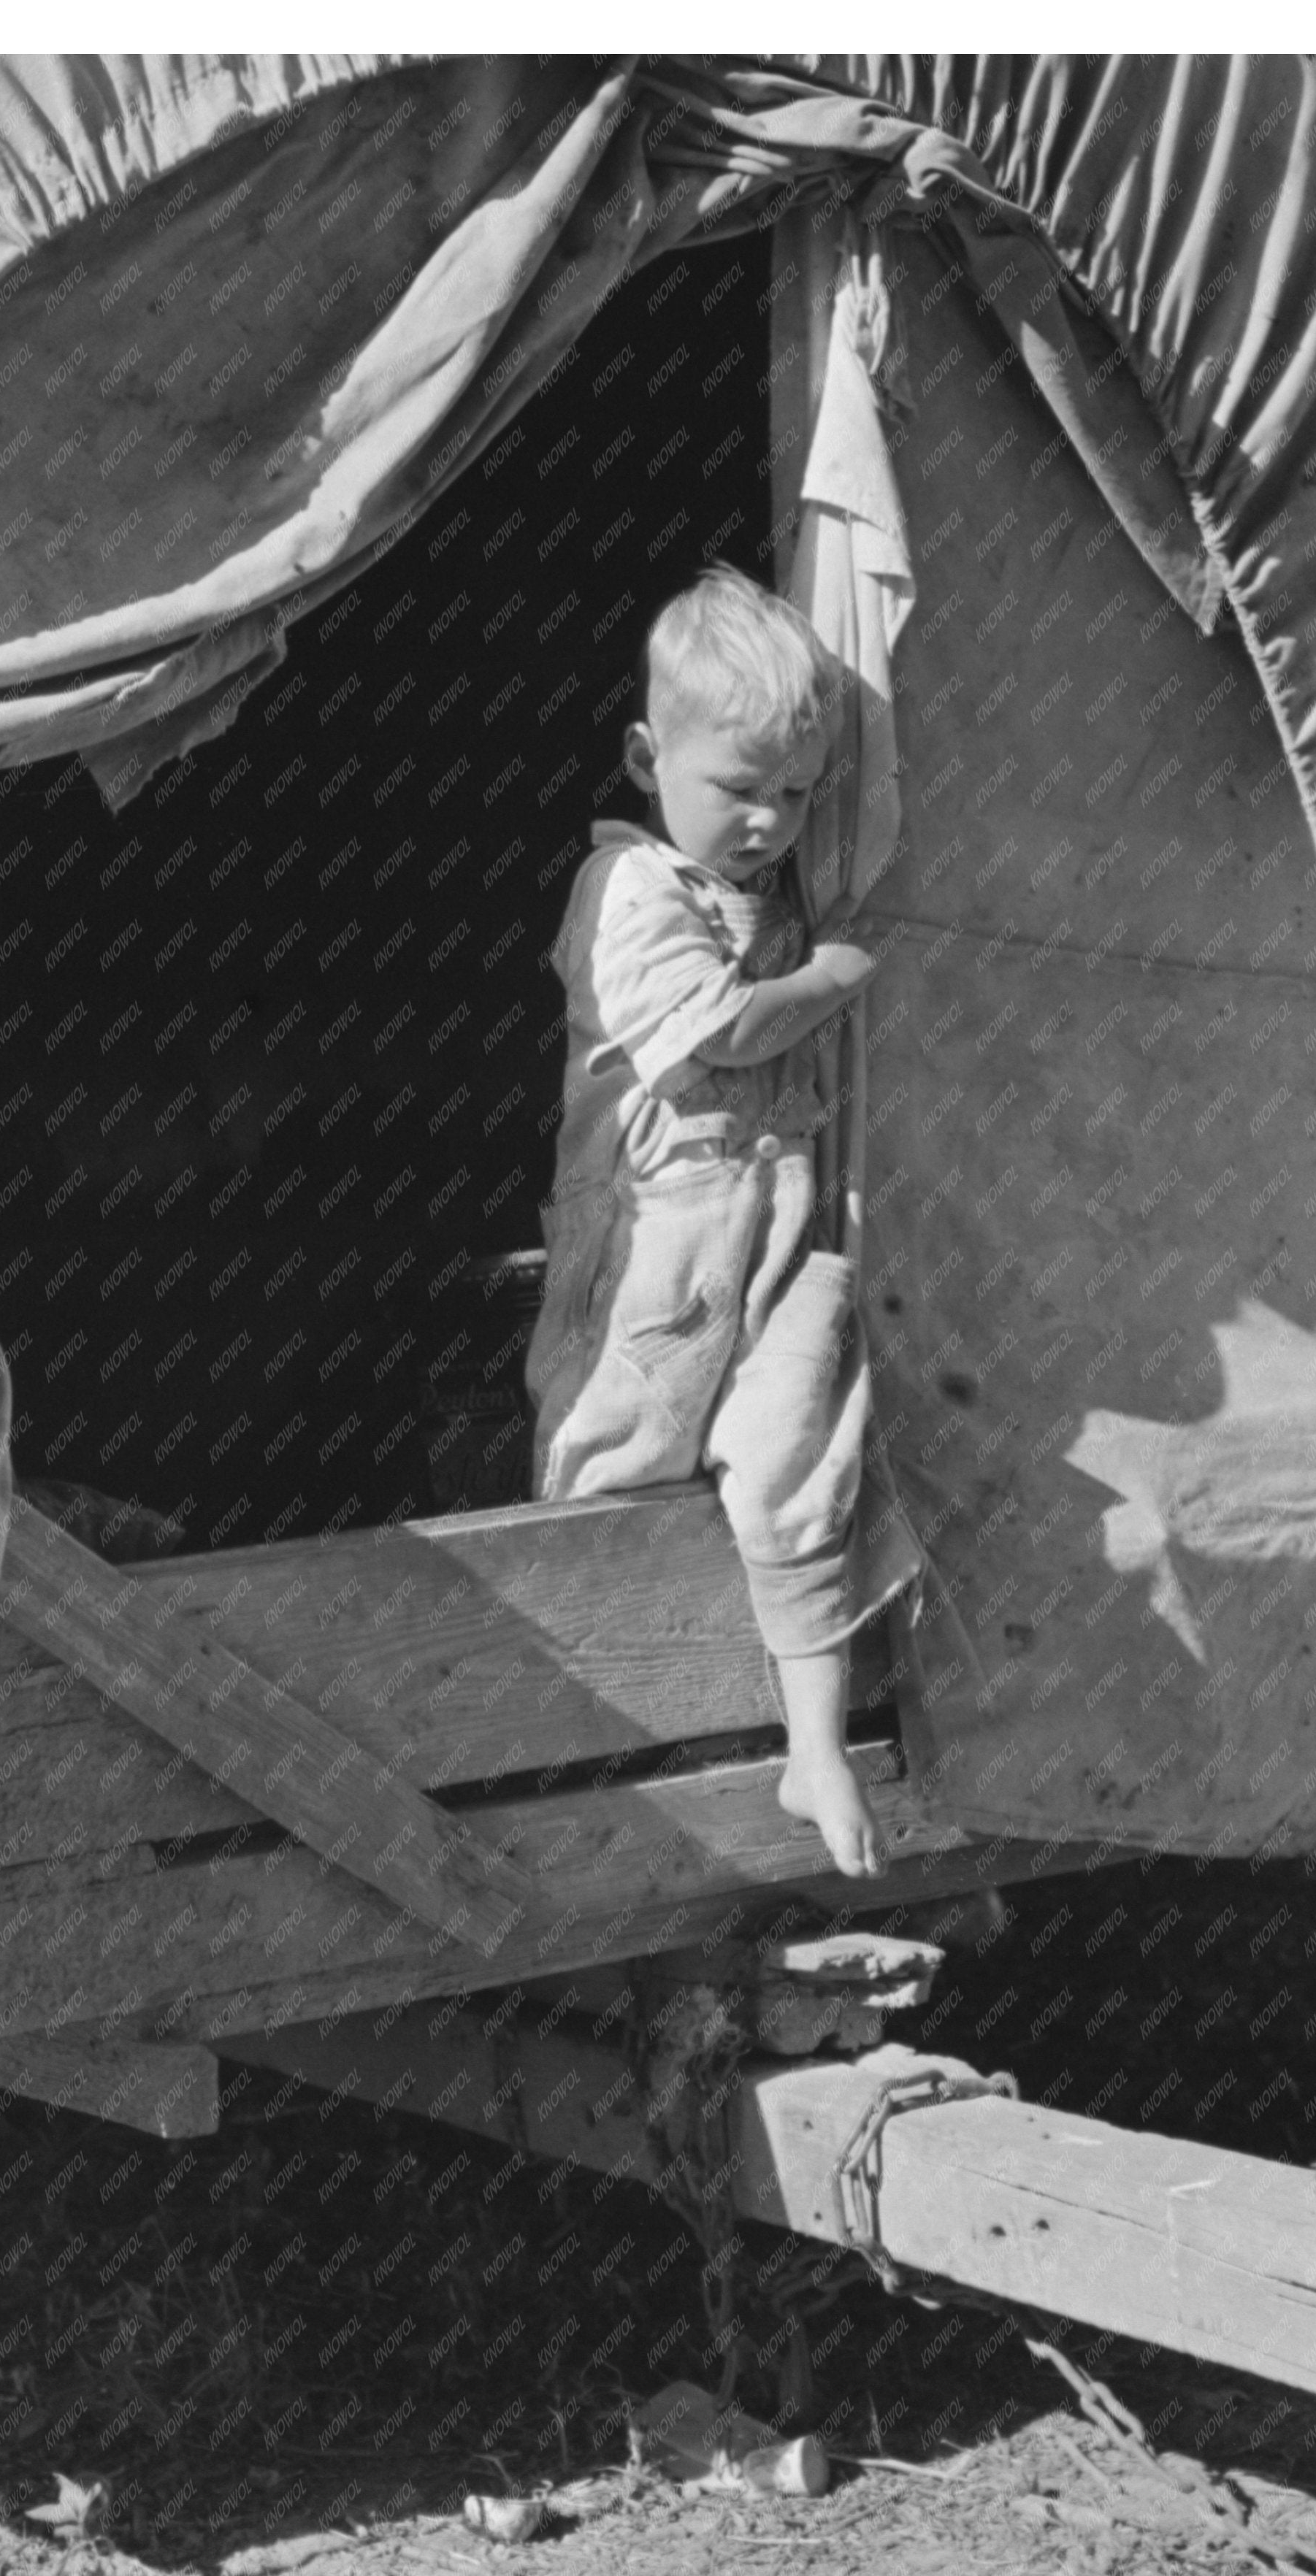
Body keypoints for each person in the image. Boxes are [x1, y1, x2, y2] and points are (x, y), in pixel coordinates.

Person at [526, 565, 888, 1877]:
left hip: (774, 1229)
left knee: (800, 1453)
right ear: (646, 756)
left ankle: (814, 1748)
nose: (772, 823)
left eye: (797, 795)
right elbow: (719, 1039)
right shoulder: (626, 893)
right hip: (658, 1249)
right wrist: (833, 976)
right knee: (615, 1458)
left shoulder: (774, 887)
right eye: (742, 788)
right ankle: (580, 1744)